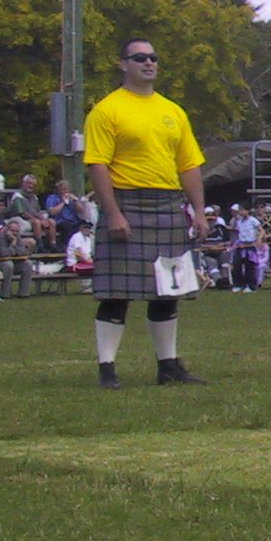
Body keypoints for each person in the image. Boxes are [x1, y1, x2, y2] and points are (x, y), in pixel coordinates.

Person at [83, 39, 208, 386]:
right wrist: (113, 213)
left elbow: (189, 165)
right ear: (123, 64)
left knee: (168, 290)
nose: (149, 63)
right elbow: (97, 165)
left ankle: (168, 366)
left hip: (167, 204)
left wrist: (199, 211)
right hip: (126, 201)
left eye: (153, 57)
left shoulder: (173, 111)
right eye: (140, 58)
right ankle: (107, 368)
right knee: (117, 292)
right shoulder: (107, 110)